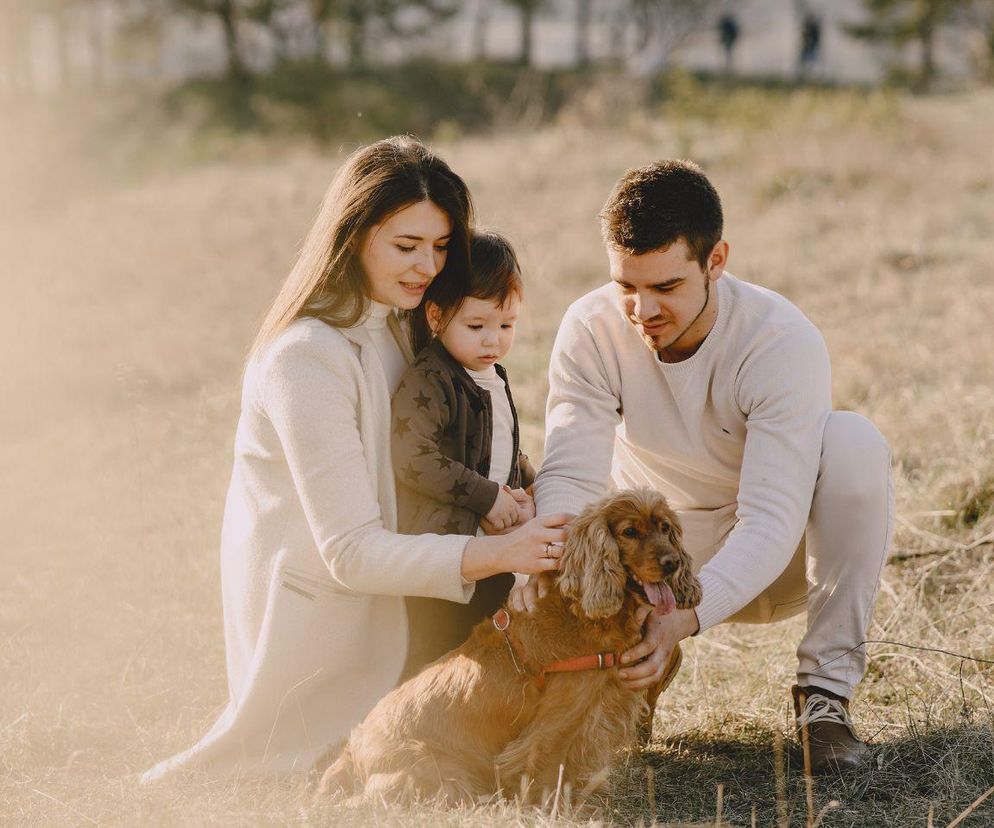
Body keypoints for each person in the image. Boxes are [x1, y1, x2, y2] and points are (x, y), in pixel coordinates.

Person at [141, 137, 568, 782]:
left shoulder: (405, 323)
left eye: (442, 246)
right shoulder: (305, 358)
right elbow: (350, 551)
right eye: (406, 246)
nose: (428, 266)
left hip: (418, 595)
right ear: (354, 235)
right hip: (331, 629)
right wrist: (503, 554)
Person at [517, 160, 892, 774]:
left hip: (779, 557)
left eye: (666, 287)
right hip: (648, 557)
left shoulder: (778, 339)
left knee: (855, 443)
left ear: (716, 260)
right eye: (626, 285)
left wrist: (686, 617)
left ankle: (823, 699)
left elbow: (771, 518)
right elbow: (572, 477)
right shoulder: (591, 327)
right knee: (549, 508)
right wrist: (561, 573)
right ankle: (614, 683)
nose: (642, 309)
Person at [392, 230, 535, 677]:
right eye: (477, 326)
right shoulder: (432, 380)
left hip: (492, 551)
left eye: (506, 325)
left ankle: (483, 722)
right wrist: (489, 496)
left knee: (491, 644)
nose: (493, 340)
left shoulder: (492, 373)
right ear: (436, 316)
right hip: (443, 556)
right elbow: (413, 457)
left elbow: (500, 446)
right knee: (437, 654)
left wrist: (528, 483)